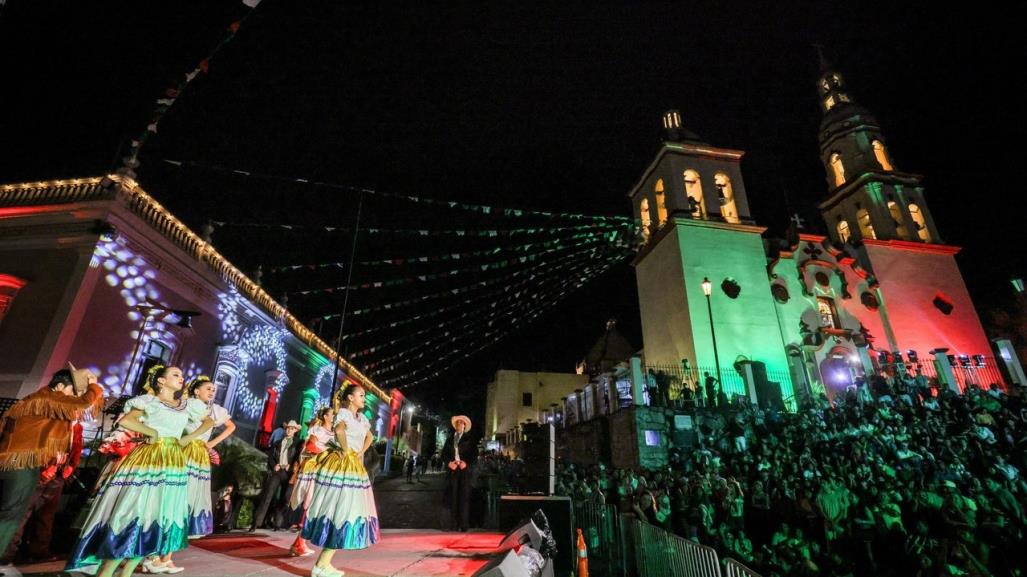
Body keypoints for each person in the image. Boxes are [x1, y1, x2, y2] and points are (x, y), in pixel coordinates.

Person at [66, 365, 214, 577]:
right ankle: (106, 571)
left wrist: (188, 438)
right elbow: (126, 420)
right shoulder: (148, 401)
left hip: (173, 462)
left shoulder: (186, 406)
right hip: (149, 458)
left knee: (157, 514)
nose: (181, 378)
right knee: (134, 511)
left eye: (181, 376)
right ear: (161, 381)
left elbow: (208, 421)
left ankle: (127, 572)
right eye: (176, 375)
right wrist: (150, 431)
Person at [0, 365, 103, 563]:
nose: (74, 397)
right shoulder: (47, 398)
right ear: (60, 387)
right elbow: (81, 406)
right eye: (73, 391)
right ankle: (3, 560)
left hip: (16, 462)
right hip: (20, 463)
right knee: (12, 514)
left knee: (13, 512)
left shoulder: (37, 401)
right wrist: (94, 388)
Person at [295, 384, 379, 577]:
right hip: (344, 466)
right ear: (350, 398)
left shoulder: (362, 418)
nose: (363, 398)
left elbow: (370, 436)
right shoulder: (343, 414)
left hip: (352, 465)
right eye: (361, 395)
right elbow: (340, 431)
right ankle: (321, 565)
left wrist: (360, 451)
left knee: (347, 512)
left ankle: (322, 564)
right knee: (342, 511)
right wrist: (345, 449)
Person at [289, 406, 335, 557]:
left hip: (324, 469)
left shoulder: (333, 433)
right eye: (332, 414)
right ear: (326, 417)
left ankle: (299, 542)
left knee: (316, 505)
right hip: (315, 469)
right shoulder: (319, 430)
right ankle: (300, 543)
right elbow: (310, 445)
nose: (334, 416)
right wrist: (326, 453)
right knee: (312, 504)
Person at [250, 420, 302, 532]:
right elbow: (270, 456)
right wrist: (274, 465)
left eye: (292, 429)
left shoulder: (297, 443)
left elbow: (299, 456)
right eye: (288, 428)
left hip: (288, 474)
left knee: (285, 498)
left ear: (295, 431)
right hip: (278, 472)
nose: (289, 430)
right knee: (268, 495)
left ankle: (277, 523)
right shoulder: (277, 443)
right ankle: (256, 522)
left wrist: (292, 465)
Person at [441, 415, 478, 532]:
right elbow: (444, 454)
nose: (459, 425)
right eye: (457, 423)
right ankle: (453, 524)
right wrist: (448, 463)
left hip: (465, 471)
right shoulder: (450, 439)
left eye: (461, 423)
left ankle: (464, 524)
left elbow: (474, 455)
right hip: (453, 470)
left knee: (464, 497)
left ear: (464, 426)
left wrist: (466, 463)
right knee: (453, 496)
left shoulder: (470, 440)